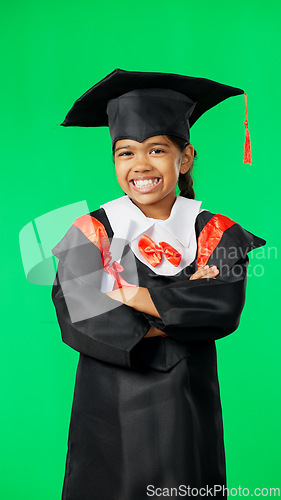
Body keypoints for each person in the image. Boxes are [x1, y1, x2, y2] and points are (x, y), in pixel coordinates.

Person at [51, 69, 266, 500]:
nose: (140, 165)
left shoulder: (216, 232)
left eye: (156, 150)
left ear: (184, 158)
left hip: (186, 407)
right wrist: (175, 314)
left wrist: (132, 295)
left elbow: (222, 307)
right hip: (107, 408)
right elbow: (78, 315)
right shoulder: (92, 230)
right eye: (125, 153)